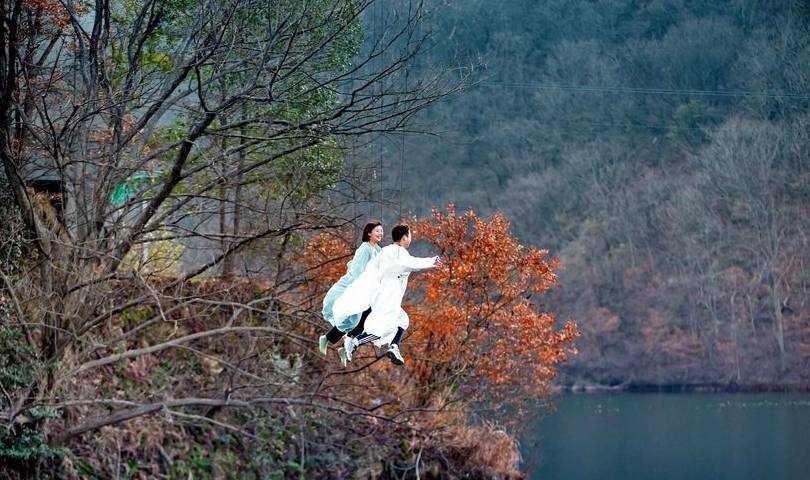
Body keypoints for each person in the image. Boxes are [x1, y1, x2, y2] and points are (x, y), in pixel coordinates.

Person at [342, 224, 443, 365]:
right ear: (404, 237)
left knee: (402, 320)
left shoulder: (385, 251)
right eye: (410, 235)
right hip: (388, 297)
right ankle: (355, 342)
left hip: (382, 295)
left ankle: (394, 347)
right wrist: (432, 261)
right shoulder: (398, 252)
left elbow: (371, 268)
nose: (410, 238)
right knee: (381, 329)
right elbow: (412, 263)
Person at [319, 221, 383, 365]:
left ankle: (344, 348)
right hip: (357, 289)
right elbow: (356, 271)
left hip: (370, 292)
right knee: (353, 320)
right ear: (369, 233)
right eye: (377, 231)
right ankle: (328, 339)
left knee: (364, 324)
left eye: (381, 231)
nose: (380, 233)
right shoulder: (364, 249)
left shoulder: (379, 250)